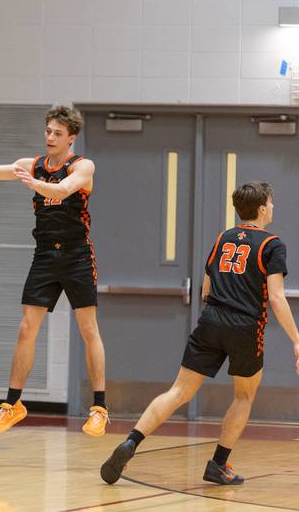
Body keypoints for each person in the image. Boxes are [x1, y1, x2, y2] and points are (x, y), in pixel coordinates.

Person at [101, 182, 299, 486]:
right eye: (271, 203)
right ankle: (218, 464)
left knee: (178, 391)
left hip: (211, 319)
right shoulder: (273, 244)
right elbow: (275, 297)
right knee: (244, 396)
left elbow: (207, 287)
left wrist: (216, 313)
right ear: (261, 209)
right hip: (245, 326)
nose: (273, 207)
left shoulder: (223, 238)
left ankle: (131, 442)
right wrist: (297, 340)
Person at [0, 106, 108, 437]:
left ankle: (99, 409)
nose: (50, 137)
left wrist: (34, 182)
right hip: (44, 256)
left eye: (57, 133)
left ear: (71, 138)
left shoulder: (83, 166)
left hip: (77, 255)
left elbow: (62, 190)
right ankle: (13, 404)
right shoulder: (32, 165)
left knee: (88, 328)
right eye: (48, 131)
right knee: (26, 328)